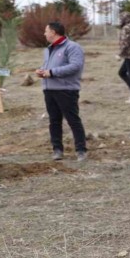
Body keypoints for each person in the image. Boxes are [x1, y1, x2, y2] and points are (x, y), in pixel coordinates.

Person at [35, 21, 87, 162]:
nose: (44, 34)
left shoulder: (73, 47)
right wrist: (42, 71)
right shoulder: (48, 50)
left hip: (66, 90)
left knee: (73, 120)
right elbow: (48, 66)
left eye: (46, 31)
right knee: (54, 121)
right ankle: (57, 150)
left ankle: (81, 150)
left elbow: (75, 66)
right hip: (49, 90)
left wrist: (51, 72)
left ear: (53, 32)